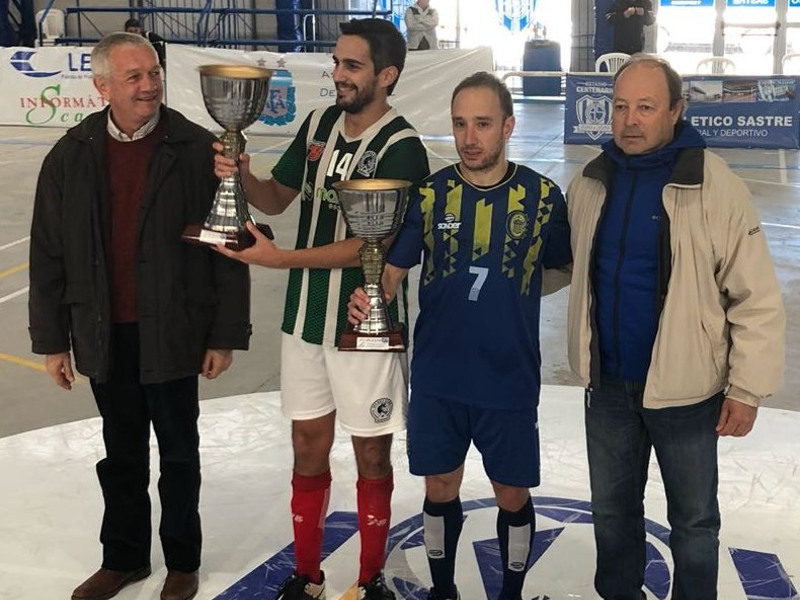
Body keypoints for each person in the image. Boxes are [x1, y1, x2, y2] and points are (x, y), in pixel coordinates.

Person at [28, 32, 251, 600]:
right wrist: (53, 341)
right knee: (121, 455)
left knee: (179, 454)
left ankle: (182, 562)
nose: (149, 85)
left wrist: (224, 335)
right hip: (105, 333)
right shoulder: (70, 155)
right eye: (134, 77)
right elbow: (48, 252)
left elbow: (228, 245)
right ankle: (123, 558)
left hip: (174, 329)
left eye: (154, 73)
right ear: (102, 87)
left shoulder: (199, 149)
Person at [213, 18, 430, 600]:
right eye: (336, 62)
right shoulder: (317, 124)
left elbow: (373, 244)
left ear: (387, 75)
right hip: (304, 318)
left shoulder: (402, 146)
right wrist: (243, 175)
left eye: (352, 65)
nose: (338, 74)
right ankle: (307, 576)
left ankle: (371, 579)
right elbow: (278, 197)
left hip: (364, 322)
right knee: (307, 447)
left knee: (371, 452)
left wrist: (280, 259)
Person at [566, 54, 785, 600]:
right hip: (609, 388)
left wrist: (747, 388)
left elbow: (754, 295)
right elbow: (561, 264)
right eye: (620, 107)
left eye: (645, 107)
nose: (629, 120)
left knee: (693, 522)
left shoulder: (715, 185)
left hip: (687, 393)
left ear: (676, 111)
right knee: (612, 513)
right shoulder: (591, 181)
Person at [349, 72, 572, 600]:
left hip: (508, 375)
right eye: (460, 124)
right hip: (440, 375)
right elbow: (393, 271)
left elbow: (562, 268)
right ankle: (443, 591)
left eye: (483, 124)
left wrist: (513, 292)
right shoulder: (430, 195)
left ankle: (510, 594)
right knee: (440, 486)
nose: (470, 138)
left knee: (511, 492)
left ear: (508, 127)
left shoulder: (543, 197)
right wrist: (370, 297)